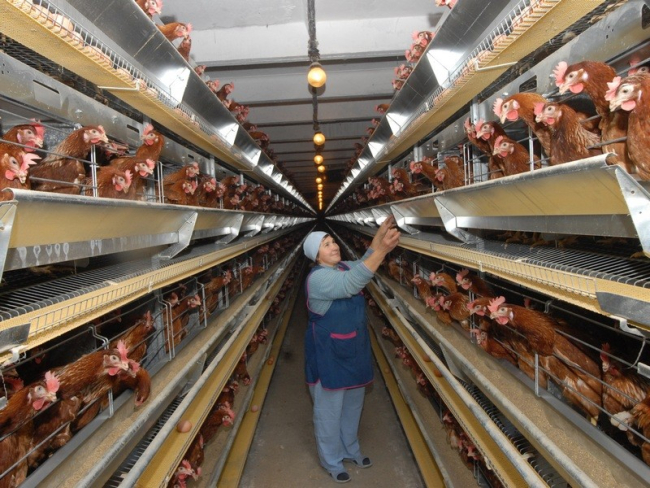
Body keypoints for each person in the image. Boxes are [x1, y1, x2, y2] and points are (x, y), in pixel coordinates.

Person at [302, 216, 400, 483]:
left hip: (354, 349)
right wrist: (383, 250)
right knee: (329, 412)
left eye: (333, 241)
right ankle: (332, 461)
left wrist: (380, 235)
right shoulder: (318, 278)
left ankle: (350, 449)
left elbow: (366, 260)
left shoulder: (343, 266)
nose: (334, 246)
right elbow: (352, 283)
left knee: (353, 406)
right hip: (329, 354)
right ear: (316, 256)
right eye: (326, 245)